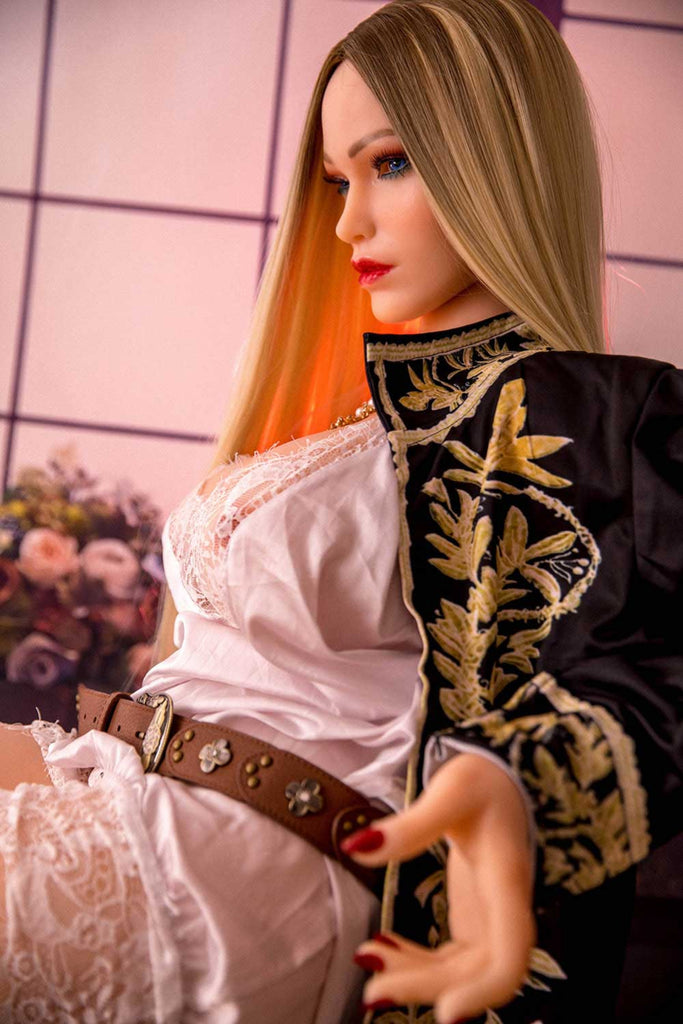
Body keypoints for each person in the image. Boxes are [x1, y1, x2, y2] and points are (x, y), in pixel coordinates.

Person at [0, 1, 680, 1022]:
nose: (345, 223)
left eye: (389, 163)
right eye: (335, 180)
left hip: (243, 877)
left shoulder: (575, 415)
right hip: (124, 779)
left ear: (497, 164)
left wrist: (517, 788)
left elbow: (640, 659)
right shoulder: (364, 420)